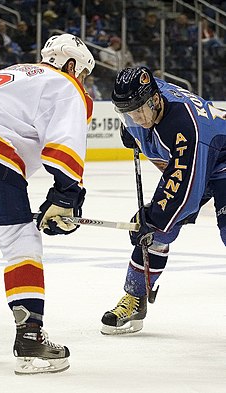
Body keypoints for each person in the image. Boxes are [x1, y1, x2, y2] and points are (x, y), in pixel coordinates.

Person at [0, 33, 95, 373]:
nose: (83, 82)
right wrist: (65, 196)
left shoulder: (18, 72)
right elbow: (64, 141)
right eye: (84, 74)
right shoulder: (63, 83)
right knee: (21, 238)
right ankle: (30, 337)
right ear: (72, 64)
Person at [101, 66, 226, 335]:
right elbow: (136, 115)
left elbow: (186, 193)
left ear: (156, 100)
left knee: (158, 220)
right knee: (157, 232)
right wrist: (132, 130)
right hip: (199, 158)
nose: (136, 118)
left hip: (221, 160)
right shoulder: (142, 98)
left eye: (139, 111)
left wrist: (154, 217)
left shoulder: (183, 124)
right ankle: (135, 298)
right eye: (128, 113)